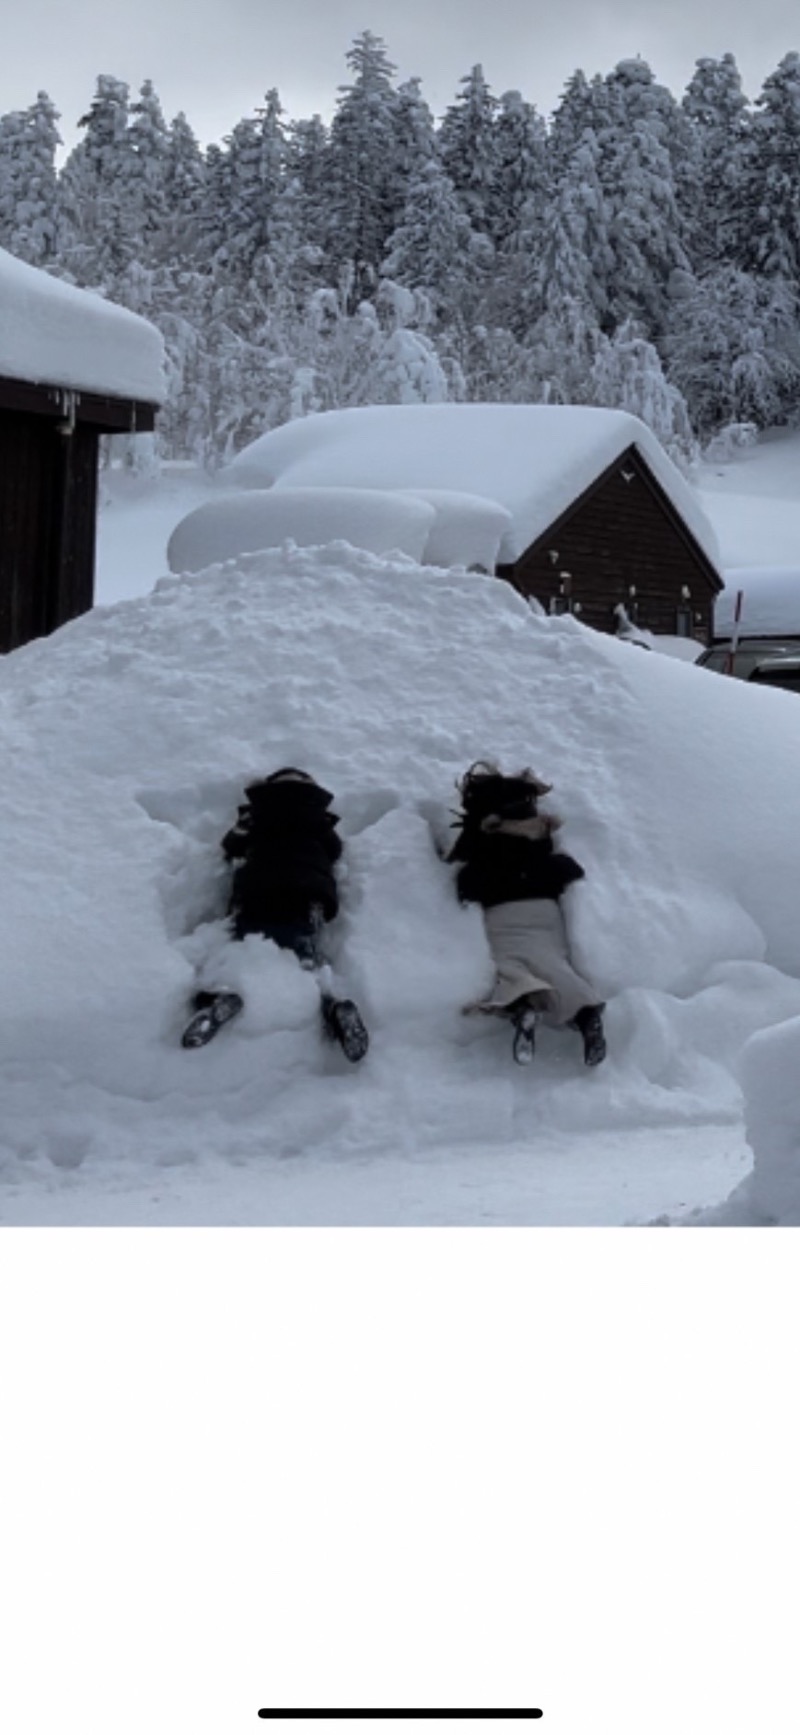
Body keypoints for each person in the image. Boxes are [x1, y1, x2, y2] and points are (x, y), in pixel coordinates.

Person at [181, 768, 369, 1063]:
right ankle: (331, 1006)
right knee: (309, 959)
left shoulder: (256, 813)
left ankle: (219, 994)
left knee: (237, 947)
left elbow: (230, 847)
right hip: (307, 896)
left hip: (259, 889)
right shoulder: (318, 819)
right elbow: (334, 851)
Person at [447, 761, 606, 1067]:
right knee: (556, 966)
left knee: (510, 967)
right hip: (544, 913)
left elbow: (467, 884)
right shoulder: (539, 841)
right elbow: (569, 869)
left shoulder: (480, 846)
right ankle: (585, 1014)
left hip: (503, 916)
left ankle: (523, 1006)